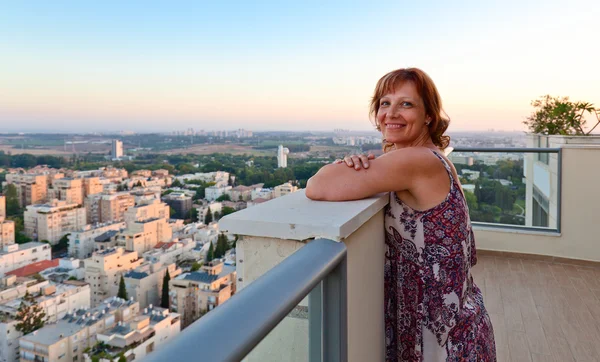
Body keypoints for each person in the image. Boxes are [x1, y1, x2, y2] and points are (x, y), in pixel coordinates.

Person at [306, 68, 496, 361]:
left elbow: (317, 186)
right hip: (462, 330)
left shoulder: (417, 160)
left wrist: (344, 164)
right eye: (385, 103)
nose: (390, 113)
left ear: (428, 115)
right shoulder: (436, 158)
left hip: (445, 347)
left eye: (406, 104)